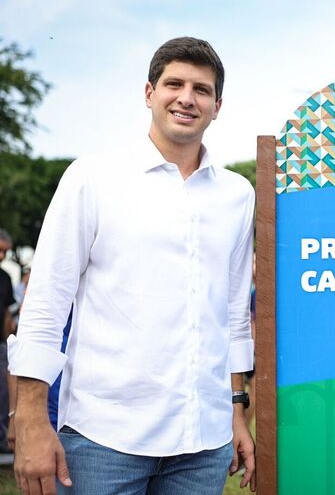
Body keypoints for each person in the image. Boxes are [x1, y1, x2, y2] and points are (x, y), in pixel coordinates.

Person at [9, 37, 256, 495]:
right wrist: (28, 419)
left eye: (201, 89)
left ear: (217, 106)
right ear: (149, 93)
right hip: (103, 440)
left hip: (204, 443)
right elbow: (45, 305)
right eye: (174, 84)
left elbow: (234, 316)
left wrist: (236, 412)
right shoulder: (91, 178)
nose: (187, 98)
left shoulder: (238, 195)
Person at [0, 229, 15, 455]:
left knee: (3, 393)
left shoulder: (4, 278)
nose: (2, 255)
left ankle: (2, 438)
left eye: (5, 252)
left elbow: (7, 313)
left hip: (0, 344)